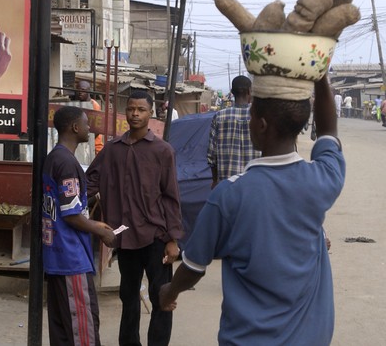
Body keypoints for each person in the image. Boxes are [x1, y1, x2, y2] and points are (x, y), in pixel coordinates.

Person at [159, 74, 344, 345]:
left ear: (261, 125)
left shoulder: (227, 195)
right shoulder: (321, 178)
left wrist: (170, 291)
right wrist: (320, 74)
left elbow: (194, 266)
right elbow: (329, 131)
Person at [86, 90, 183, 346]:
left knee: (161, 297)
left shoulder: (162, 151)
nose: (135, 114)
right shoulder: (111, 150)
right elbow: (89, 182)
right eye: (131, 109)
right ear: (125, 112)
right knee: (128, 297)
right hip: (125, 236)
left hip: (156, 236)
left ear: (151, 113)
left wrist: (173, 240)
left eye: (141, 109)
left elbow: (171, 196)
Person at [42, 106, 116, 346]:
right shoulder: (66, 162)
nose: (89, 128)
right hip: (70, 257)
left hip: (57, 256)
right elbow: (71, 214)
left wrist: (93, 222)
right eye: (86, 124)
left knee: (63, 329)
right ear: (75, 127)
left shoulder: (55, 158)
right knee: (82, 328)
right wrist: (101, 231)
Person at [207, 75, 260, 188]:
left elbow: (211, 156)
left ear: (232, 92)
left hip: (227, 186)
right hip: (255, 185)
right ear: (249, 91)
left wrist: (215, 180)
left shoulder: (219, 117)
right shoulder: (259, 116)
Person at [77, 80, 104, 154]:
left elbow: (98, 129)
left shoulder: (94, 105)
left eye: (83, 90)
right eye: (78, 89)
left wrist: (88, 141)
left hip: (95, 147)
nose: (80, 92)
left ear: (88, 91)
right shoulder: (79, 104)